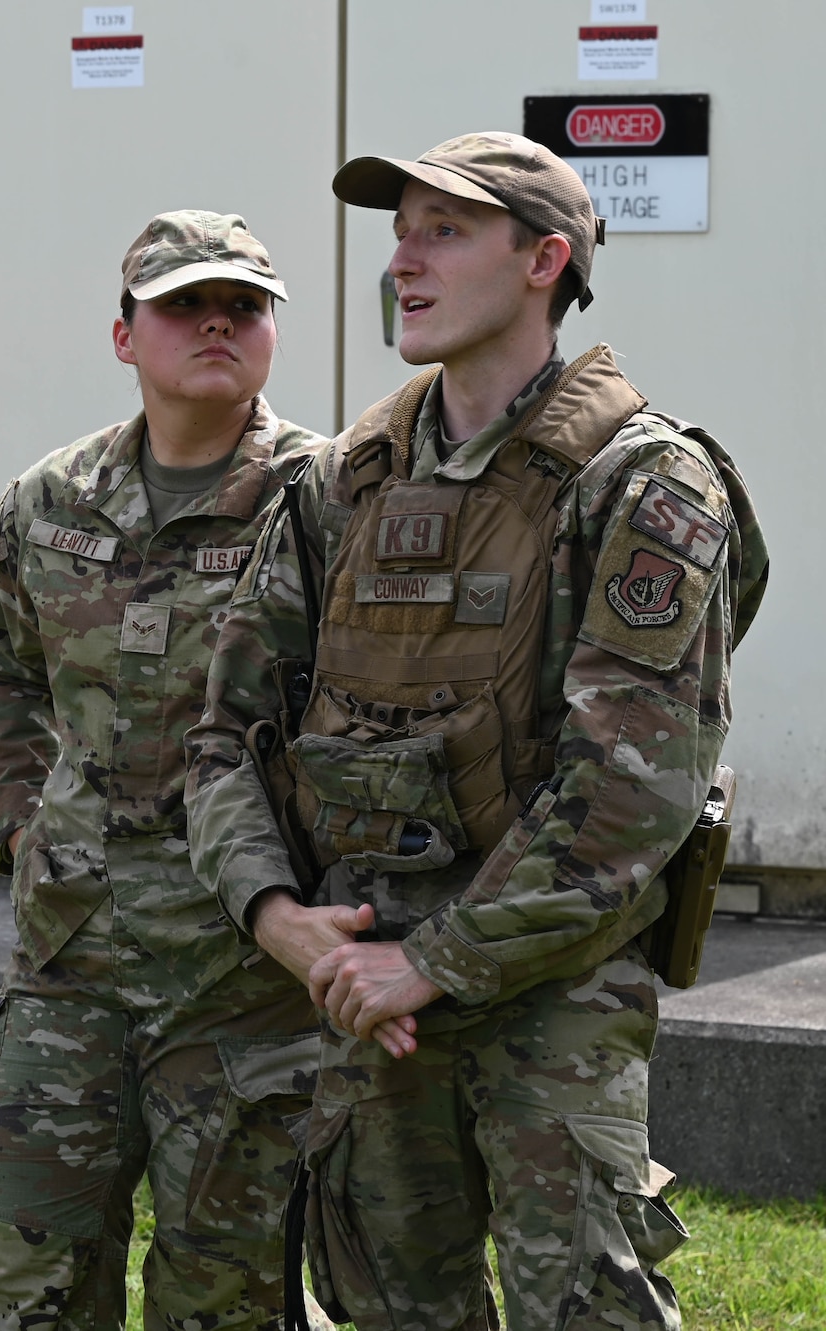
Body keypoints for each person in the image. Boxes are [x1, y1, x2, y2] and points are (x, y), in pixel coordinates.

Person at [185, 133, 770, 1330]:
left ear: (544, 258)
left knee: (582, 1308)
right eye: (398, 230)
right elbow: (225, 733)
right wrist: (279, 920)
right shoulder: (343, 483)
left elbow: (628, 794)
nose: (401, 259)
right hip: (361, 988)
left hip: (544, 996)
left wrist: (432, 962)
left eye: (442, 230)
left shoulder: (637, 485)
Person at [0, 211, 331, 1329]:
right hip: (68, 957)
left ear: (270, 333)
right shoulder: (49, 502)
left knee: (223, 1291)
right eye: (181, 303)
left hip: (241, 973)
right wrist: (25, 826)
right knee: (28, 1288)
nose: (215, 320)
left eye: (243, 305)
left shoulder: (329, 501)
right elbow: (0, 670)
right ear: (124, 336)